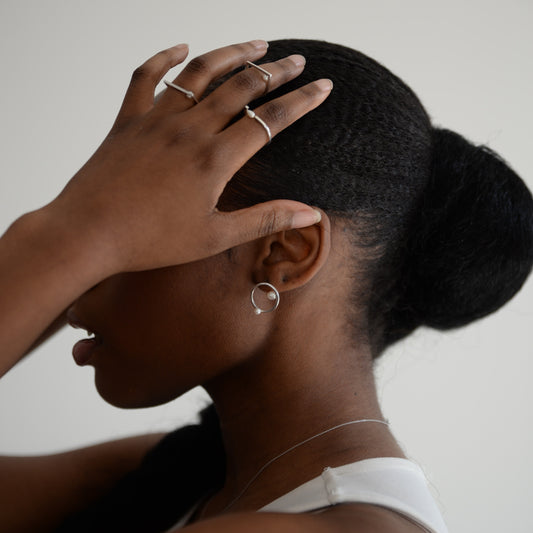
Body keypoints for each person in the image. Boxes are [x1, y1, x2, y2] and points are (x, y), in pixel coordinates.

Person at [0, 38, 531, 533]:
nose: (74, 286)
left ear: (282, 254)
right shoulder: (189, 473)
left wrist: (74, 237)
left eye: (130, 233)